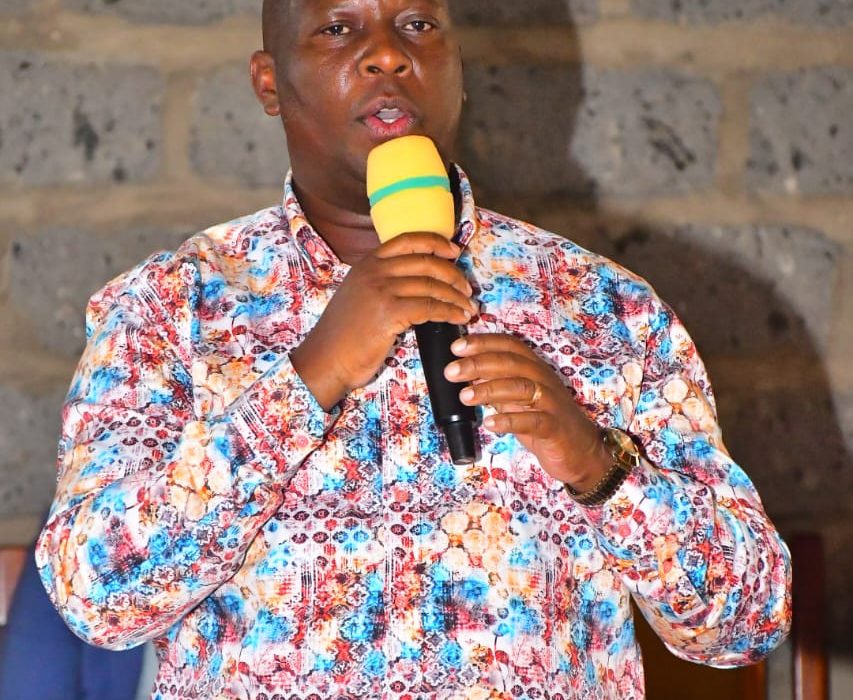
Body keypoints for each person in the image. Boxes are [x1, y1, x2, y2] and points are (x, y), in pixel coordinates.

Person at [35, 1, 792, 698]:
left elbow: (748, 619)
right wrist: (307, 380)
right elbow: (96, 597)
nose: (388, 54)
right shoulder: (172, 309)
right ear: (269, 82)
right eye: (339, 28)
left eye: (418, 25)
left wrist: (598, 466)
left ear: (457, 66)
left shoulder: (600, 308)